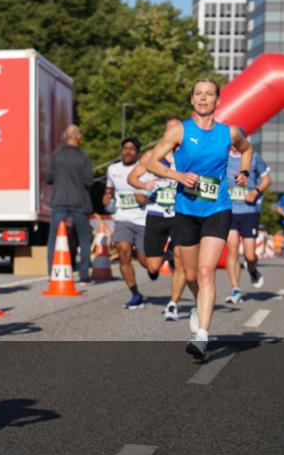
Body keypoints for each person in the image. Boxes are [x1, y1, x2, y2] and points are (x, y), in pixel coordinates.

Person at [144, 78, 252, 360]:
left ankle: (202, 336)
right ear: (192, 100)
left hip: (218, 208)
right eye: (198, 94)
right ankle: (197, 305)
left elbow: (247, 149)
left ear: (218, 101)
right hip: (186, 210)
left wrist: (245, 172)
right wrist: (177, 175)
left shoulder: (229, 133)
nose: (203, 98)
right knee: (190, 274)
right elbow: (152, 162)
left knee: (206, 271)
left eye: (209, 94)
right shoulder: (179, 130)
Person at [127, 123, 191, 322]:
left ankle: (173, 304)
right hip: (156, 214)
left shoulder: (188, 155)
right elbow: (132, 177)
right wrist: (144, 184)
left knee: (181, 262)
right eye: (168, 129)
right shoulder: (151, 156)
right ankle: (168, 252)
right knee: (152, 267)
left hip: (180, 214)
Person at [104, 137, 151, 309]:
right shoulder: (112, 169)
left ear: (137, 152)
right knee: (123, 251)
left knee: (146, 262)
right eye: (125, 148)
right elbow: (109, 189)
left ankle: (154, 268)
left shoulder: (144, 170)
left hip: (142, 220)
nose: (128, 151)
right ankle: (135, 294)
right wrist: (107, 196)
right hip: (122, 218)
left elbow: (152, 191)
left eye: (132, 149)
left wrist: (144, 196)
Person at [46, 124, 94, 283]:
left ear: (66, 137)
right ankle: (84, 273)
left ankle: (52, 272)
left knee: (54, 237)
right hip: (79, 201)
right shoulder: (84, 157)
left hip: (59, 200)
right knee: (84, 238)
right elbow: (89, 181)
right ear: (77, 137)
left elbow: (49, 179)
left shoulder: (55, 156)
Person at [224, 143, 271, 304]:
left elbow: (267, 179)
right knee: (232, 248)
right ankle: (235, 289)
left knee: (250, 255)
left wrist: (256, 191)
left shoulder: (255, 158)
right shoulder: (223, 157)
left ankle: (252, 269)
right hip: (229, 210)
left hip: (249, 210)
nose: (236, 145)